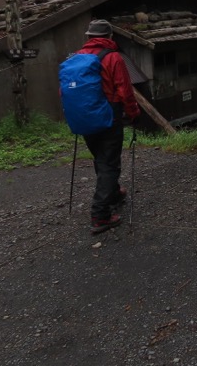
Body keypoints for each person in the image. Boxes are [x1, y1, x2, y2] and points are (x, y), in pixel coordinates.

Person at [76, 19, 141, 234]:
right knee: (109, 163)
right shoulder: (113, 58)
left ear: (89, 37)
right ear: (110, 38)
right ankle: (100, 215)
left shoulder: (77, 58)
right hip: (108, 116)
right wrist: (133, 113)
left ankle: (113, 192)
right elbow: (125, 90)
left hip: (84, 118)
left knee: (101, 159)